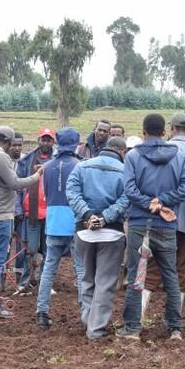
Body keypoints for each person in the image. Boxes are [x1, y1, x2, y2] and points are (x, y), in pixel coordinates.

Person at [118, 114, 185, 341]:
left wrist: (150, 203)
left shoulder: (133, 156)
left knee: (137, 274)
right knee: (170, 274)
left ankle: (132, 328)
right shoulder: (178, 156)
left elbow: (130, 190)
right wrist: (163, 201)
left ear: (143, 131)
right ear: (164, 132)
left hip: (140, 225)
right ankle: (175, 328)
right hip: (167, 224)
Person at [141, 113, 185, 320]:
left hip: (159, 218)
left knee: (151, 269)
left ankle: (139, 317)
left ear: (172, 128)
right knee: (182, 271)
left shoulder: (160, 150)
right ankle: (173, 323)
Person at [67, 137, 130, 340]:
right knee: (105, 281)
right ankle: (96, 329)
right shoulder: (125, 171)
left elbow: (72, 192)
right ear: (122, 151)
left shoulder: (82, 167)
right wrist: (105, 218)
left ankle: (88, 317)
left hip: (84, 232)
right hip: (112, 233)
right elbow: (127, 198)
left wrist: (87, 215)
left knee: (86, 276)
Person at [0, 126, 42, 314]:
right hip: (0, 217)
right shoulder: (1, 157)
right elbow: (14, 183)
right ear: (8, 141)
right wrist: (36, 176)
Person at [35, 128, 84, 329]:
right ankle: (85, 313)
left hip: (53, 221)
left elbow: (45, 192)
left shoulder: (47, 167)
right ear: (76, 144)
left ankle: (41, 312)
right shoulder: (80, 166)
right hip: (73, 222)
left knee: (49, 268)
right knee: (80, 270)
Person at [16, 128, 55, 287]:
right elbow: (18, 186)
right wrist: (18, 208)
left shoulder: (57, 159)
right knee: (29, 249)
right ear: (38, 140)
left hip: (51, 213)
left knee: (49, 250)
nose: (46, 143)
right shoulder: (27, 160)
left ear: (53, 141)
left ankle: (45, 282)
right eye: (43, 139)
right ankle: (26, 281)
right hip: (31, 213)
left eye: (49, 140)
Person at [7, 132, 32, 293]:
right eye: (13, 145)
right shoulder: (2, 161)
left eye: (19, 145)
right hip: (6, 212)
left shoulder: (26, 161)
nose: (16, 148)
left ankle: (20, 283)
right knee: (4, 248)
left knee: (22, 249)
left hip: (22, 212)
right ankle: (1, 283)